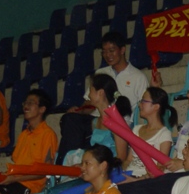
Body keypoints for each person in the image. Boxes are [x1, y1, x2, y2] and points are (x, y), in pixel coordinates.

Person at [57, 31, 156, 163]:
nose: (107, 55)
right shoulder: (101, 73)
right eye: (104, 52)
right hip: (97, 120)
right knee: (70, 119)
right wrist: (79, 111)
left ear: (122, 50)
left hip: (121, 124)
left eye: (111, 50)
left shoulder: (138, 77)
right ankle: (66, 165)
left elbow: (145, 106)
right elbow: (89, 103)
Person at [120, 86, 176, 180]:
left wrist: (137, 179)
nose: (139, 105)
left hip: (144, 179)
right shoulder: (136, 129)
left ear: (156, 106)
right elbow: (128, 160)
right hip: (128, 175)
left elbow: (160, 167)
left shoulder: (164, 134)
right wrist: (122, 173)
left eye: (143, 101)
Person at [87, 73, 133, 161]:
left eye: (91, 90)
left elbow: (121, 157)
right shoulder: (95, 122)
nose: (89, 95)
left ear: (100, 93)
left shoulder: (117, 122)